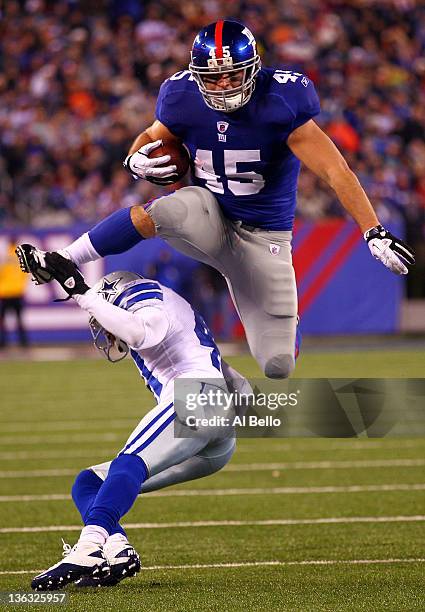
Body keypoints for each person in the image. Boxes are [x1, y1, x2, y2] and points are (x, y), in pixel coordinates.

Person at [17, 20, 415, 379]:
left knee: (278, 366)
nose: (223, 85)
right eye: (214, 77)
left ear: (253, 70)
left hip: (265, 238)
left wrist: (373, 230)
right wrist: (135, 157)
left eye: (232, 76)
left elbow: (335, 171)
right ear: (198, 75)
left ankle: (231, 355)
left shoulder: (282, 100)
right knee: (171, 208)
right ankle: (67, 257)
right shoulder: (181, 96)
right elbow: (151, 137)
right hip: (209, 216)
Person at [29, 253, 246, 591]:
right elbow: (239, 387)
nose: (102, 328)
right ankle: (117, 549)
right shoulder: (174, 311)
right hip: (215, 427)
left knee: (130, 463)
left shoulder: (142, 295)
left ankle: (88, 547)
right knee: (89, 482)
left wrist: (82, 293)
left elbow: (143, 332)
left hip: (196, 401)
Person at [0, 237, 28, 347]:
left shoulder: (4, 257)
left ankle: (3, 342)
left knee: (3, 320)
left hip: (5, 292)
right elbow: (24, 274)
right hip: (17, 292)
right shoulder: (20, 258)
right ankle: (23, 343)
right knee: (19, 319)